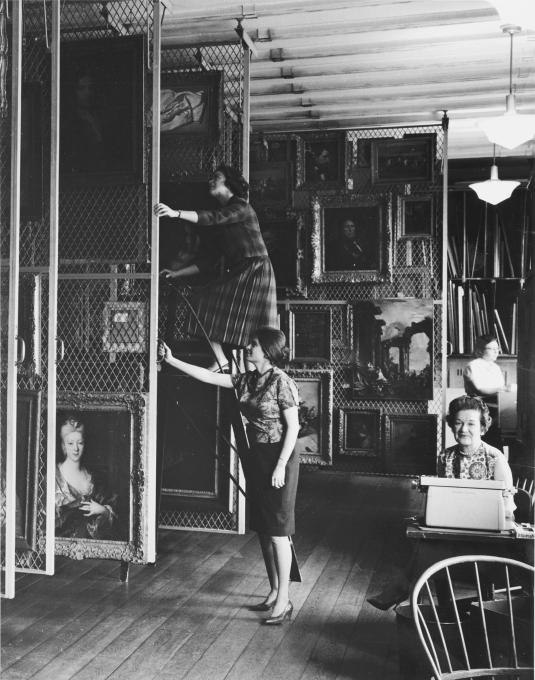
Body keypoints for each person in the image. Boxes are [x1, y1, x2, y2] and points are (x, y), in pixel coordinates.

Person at [159, 326, 300, 625]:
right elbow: (210, 377)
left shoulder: (281, 382)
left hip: (280, 458)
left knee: (278, 530)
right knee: (265, 529)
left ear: (268, 351)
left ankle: (285, 599)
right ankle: (275, 591)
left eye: (255, 345)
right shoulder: (247, 379)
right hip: (258, 456)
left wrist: (279, 466)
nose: (248, 348)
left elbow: (294, 428)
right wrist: (172, 361)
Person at [367, 395, 515, 610]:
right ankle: (433, 605)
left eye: (471, 424)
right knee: (429, 541)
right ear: (451, 426)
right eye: (458, 423)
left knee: (430, 548)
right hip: (452, 531)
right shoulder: (445, 457)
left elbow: (508, 510)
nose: (464, 429)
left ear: (483, 428)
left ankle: (405, 589)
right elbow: (444, 500)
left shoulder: (495, 458)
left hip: (486, 540)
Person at [155, 165, 278, 371]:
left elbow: (213, 217)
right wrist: (177, 273)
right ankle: (221, 360)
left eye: (216, 177)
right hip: (244, 271)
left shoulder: (241, 207)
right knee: (199, 300)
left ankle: (248, 372)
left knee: (255, 330)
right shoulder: (223, 222)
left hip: (256, 270)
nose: (211, 181)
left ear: (229, 183)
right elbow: (209, 260)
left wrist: (175, 213)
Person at [55, 416, 117, 539]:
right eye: (70, 443)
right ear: (63, 446)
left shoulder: (95, 478)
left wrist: (103, 511)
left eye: (80, 443)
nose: (76, 448)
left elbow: (114, 520)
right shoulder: (53, 477)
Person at [463, 334, 516, 449]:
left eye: (497, 349)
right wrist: (503, 388)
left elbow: (501, 391)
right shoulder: (473, 366)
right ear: (481, 350)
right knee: (488, 442)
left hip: (496, 408)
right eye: (492, 349)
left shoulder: (495, 368)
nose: (496, 352)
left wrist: (505, 389)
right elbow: (480, 389)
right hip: (478, 408)